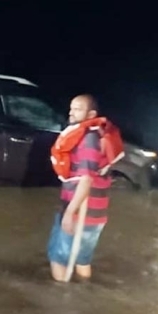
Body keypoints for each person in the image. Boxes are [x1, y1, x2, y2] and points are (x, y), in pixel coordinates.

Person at [47, 94, 116, 282]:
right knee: (82, 260)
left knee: (58, 258)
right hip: (95, 215)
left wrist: (69, 214)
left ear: (91, 113)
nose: (71, 112)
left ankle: (61, 302)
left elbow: (86, 180)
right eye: (71, 108)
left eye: (77, 109)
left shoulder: (87, 139)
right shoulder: (99, 135)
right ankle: (84, 294)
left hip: (80, 214)